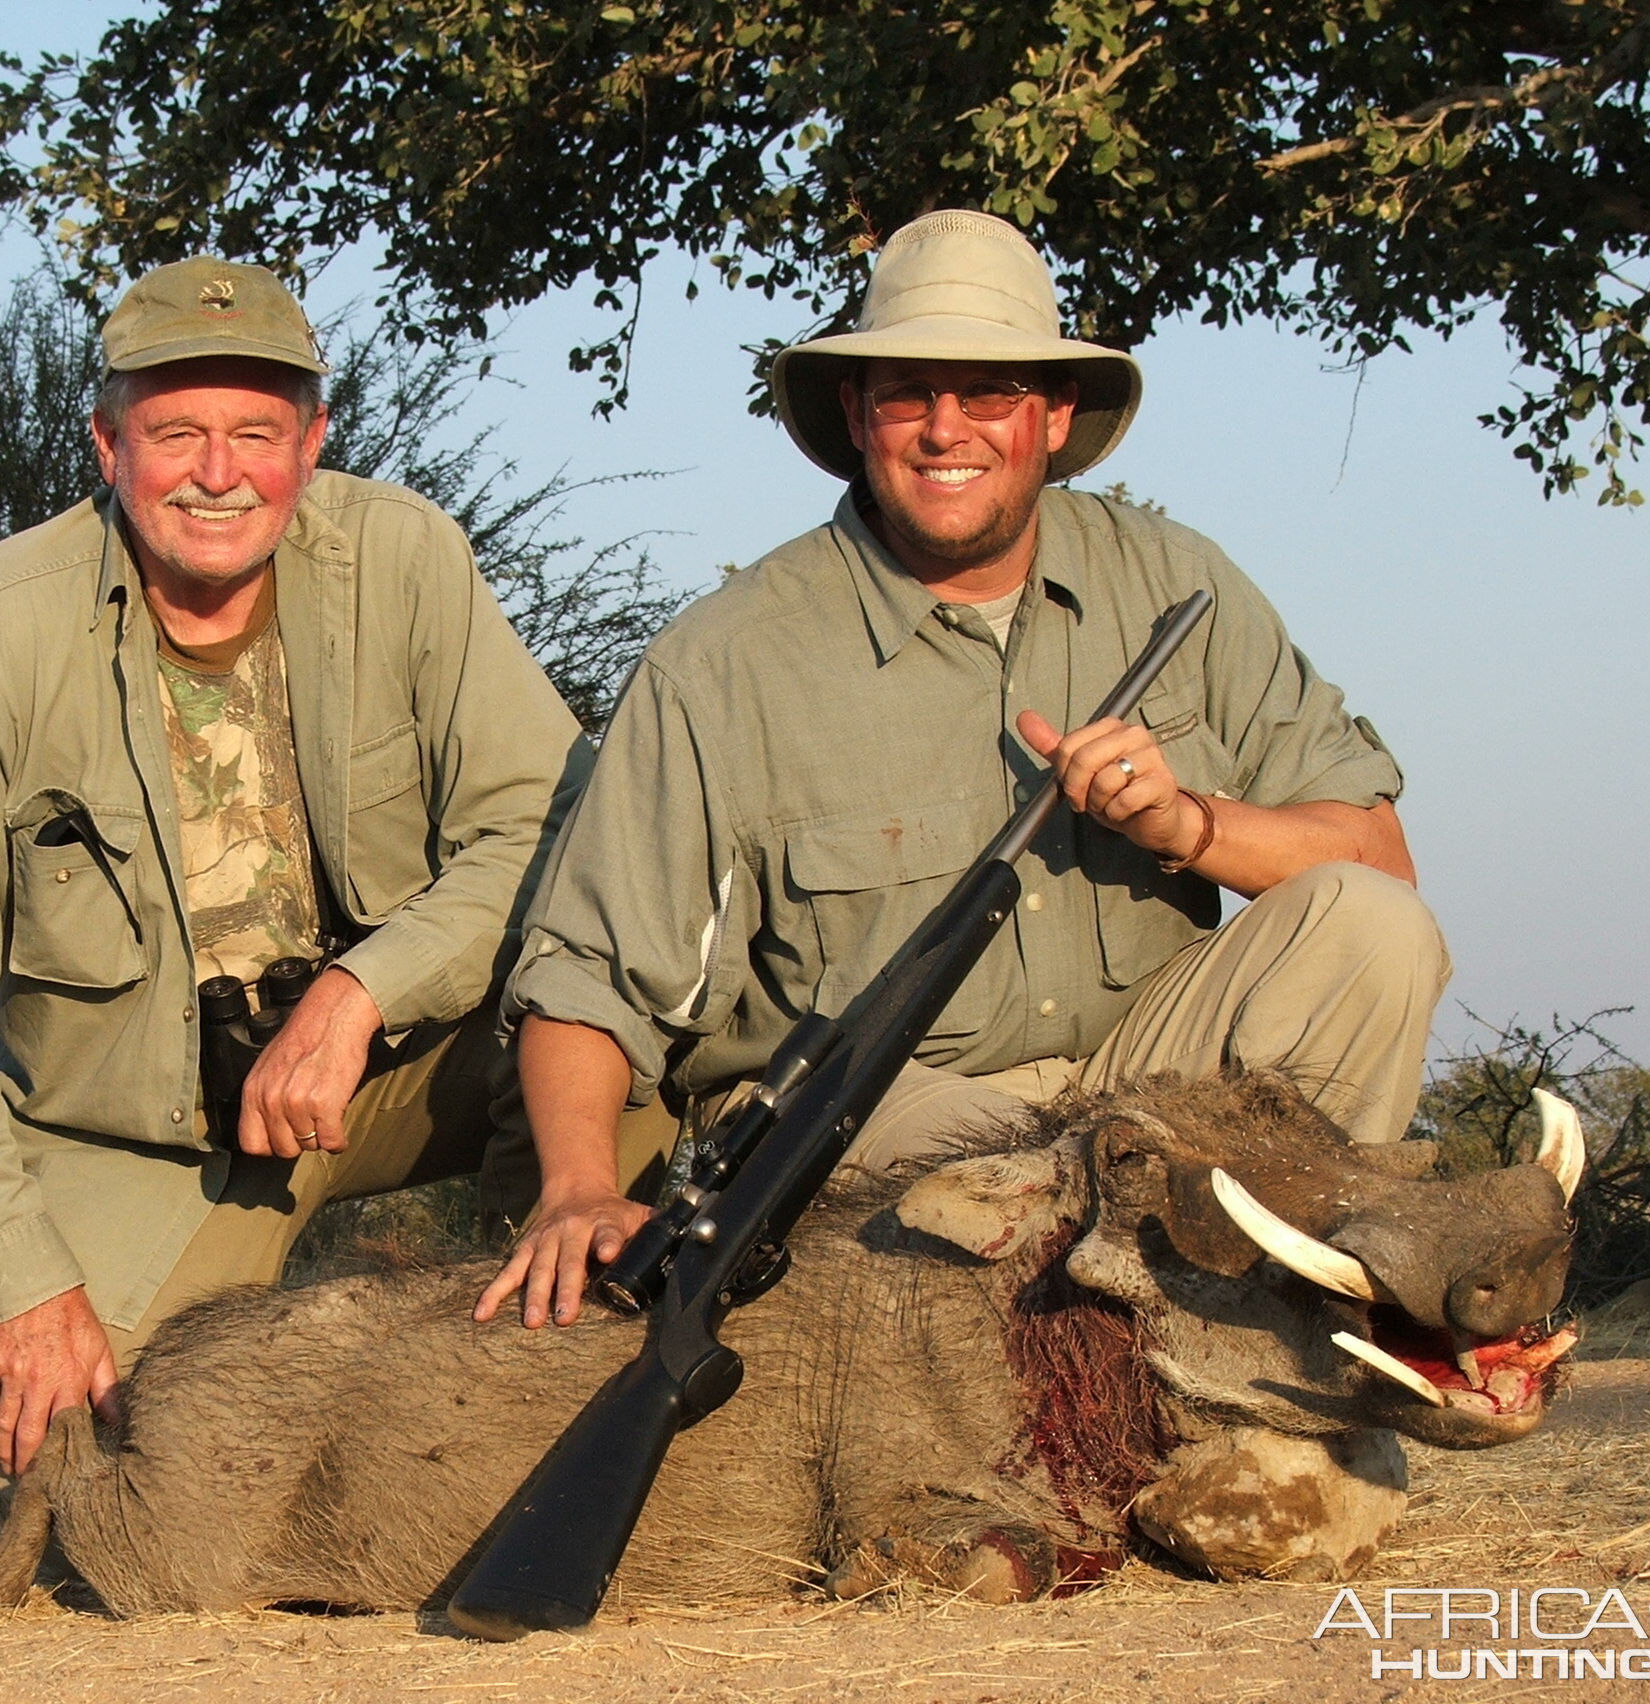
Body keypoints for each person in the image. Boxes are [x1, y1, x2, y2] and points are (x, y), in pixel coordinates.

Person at [477, 209, 1450, 1330]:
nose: (947, 430)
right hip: (892, 1109)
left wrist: (1187, 826)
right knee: (1004, 1182)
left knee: (1372, 927)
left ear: (1051, 416)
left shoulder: (1176, 578)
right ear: (856, 414)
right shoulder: (723, 659)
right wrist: (577, 1190)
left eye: (987, 390)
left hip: (1150, 1083)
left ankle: (1288, 1343)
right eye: (907, 393)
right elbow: (593, 971)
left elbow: (1379, 859)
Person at [0, 258, 672, 1472]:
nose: (218, 474)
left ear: (313, 439)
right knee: (112, 1488)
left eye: (255, 433)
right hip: (147, 1139)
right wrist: (23, 1282)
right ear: (107, 442)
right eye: (176, 432)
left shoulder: (406, 559)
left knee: (620, 1030)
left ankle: (532, 1379)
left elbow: (553, 832)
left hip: (386, 1065)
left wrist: (362, 991)